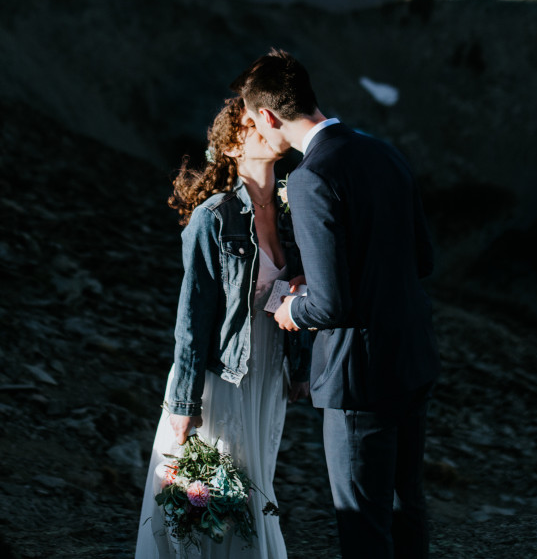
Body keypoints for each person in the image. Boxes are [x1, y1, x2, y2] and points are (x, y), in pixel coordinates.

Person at [234, 49, 439, 559]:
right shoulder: (385, 152)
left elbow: (329, 306)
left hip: (358, 377)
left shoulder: (311, 178)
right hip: (412, 357)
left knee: (363, 524)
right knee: (405, 506)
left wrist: (290, 311)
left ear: (267, 116)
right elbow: (423, 259)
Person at [134, 97, 310, 559]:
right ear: (232, 147)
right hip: (221, 378)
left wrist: (303, 369)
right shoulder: (212, 217)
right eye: (254, 125)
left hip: (269, 373)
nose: (269, 128)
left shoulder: (295, 212)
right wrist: (185, 405)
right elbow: (190, 322)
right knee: (219, 495)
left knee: (256, 484)